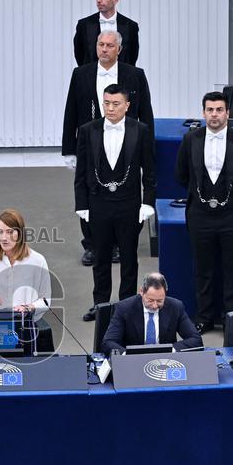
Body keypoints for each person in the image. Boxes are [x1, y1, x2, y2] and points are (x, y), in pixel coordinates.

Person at [175, 91, 233, 333]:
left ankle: (231, 319)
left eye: (219, 110)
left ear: (228, 113)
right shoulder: (189, 140)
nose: (214, 115)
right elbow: (181, 175)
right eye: (210, 110)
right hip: (200, 216)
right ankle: (204, 316)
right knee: (203, 269)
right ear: (203, 113)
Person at [62, 30, 154, 266]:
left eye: (109, 45)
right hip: (91, 144)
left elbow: (146, 112)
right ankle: (92, 245)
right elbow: (71, 110)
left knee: (124, 190)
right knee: (91, 189)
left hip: (127, 143)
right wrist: (69, 149)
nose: (104, 49)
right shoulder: (81, 73)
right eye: (100, 44)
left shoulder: (134, 74)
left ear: (119, 50)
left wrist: (148, 146)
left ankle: (119, 244)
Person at [75, 84, 156, 322]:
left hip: (129, 204)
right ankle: (100, 305)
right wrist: (82, 205)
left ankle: (128, 306)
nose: (110, 108)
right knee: (100, 258)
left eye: (116, 104)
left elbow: (150, 171)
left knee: (129, 258)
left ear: (127, 106)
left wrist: (147, 203)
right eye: (106, 103)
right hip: (98, 203)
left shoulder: (140, 130)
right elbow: (81, 172)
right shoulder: (88, 130)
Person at [0, 208, 51, 318]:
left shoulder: (38, 261)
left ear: (20, 233)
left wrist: (28, 307)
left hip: (24, 325)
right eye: (0, 232)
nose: (3, 238)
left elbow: (45, 301)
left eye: (10, 232)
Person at [100, 272, 202, 356]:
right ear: (141, 292)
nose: (154, 305)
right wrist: (128, 355)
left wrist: (170, 350)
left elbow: (196, 340)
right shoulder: (124, 308)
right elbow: (108, 343)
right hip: (133, 363)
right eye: (150, 300)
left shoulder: (176, 307)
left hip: (165, 361)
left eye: (159, 301)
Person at [73, 0, 139, 67]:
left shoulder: (130, 26)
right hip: (91, 78)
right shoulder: (84, 25)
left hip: (122, 79)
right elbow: (80, 56)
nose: (99, 0)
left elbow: (132, 57)